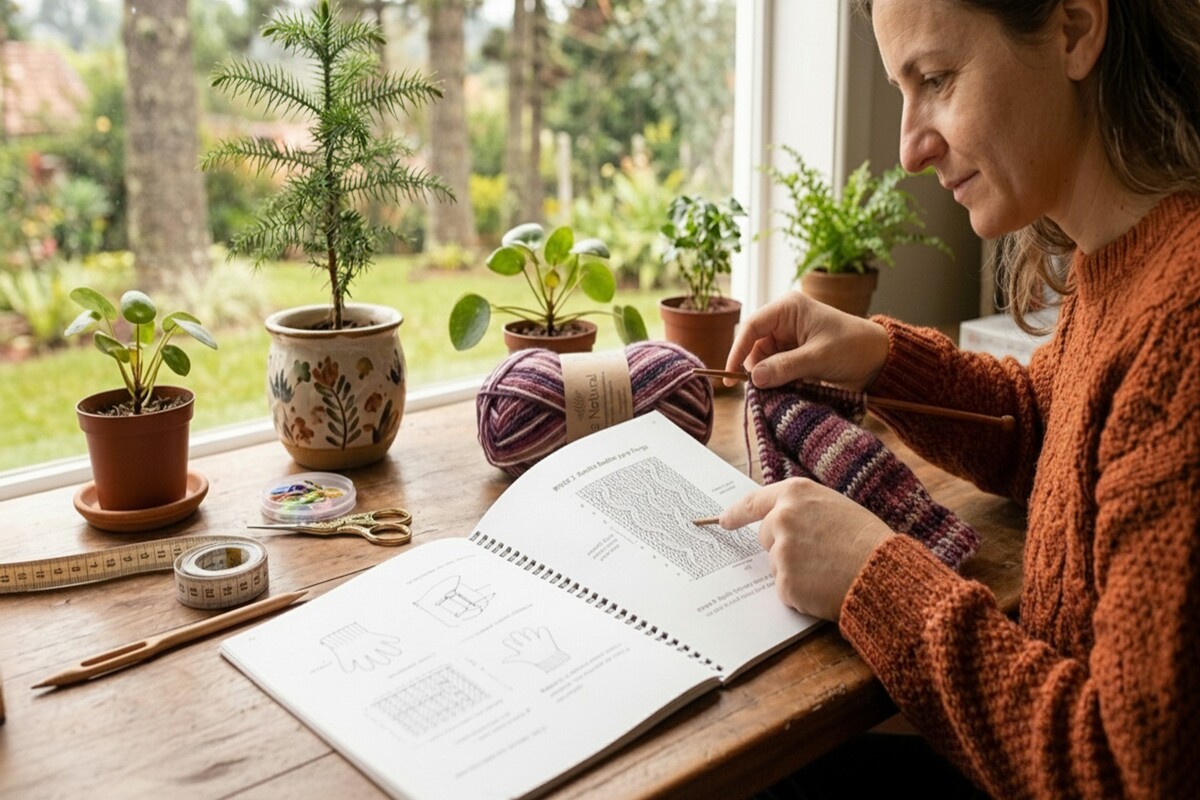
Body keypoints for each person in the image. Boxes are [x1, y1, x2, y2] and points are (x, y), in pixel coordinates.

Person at [719, 0, 1200, 797]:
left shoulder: (1182, 325)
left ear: (1076, 30)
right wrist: (879, 358)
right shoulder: (1125, 260)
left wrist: (873, 574)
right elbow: (1055, 433)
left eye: (936, 79)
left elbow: (1125, 770)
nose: (910, 149)